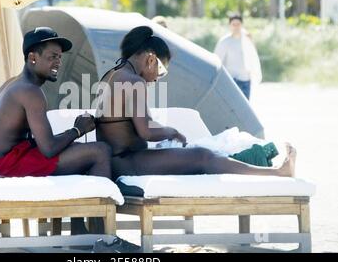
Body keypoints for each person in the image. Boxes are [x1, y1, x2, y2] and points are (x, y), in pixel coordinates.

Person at [95, 25, 295, 180]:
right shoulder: (134, 81)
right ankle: (277, 173)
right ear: (150, 60)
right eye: (160, 71)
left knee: (198, 154)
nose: (156, 78)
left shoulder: (112, 74)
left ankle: (266, 169)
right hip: (127, 163)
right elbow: (147, 132)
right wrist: (172, 131)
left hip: (117, 160)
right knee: (203, 156)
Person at [0, 27, 112, 234]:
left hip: (1, 162)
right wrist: (77, 129)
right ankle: (103, 237)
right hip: (2, 168)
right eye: (52, 57)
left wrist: (73, 136)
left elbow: (43, 144)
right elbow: (48, 148)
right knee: (100, 151)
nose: (58, 62)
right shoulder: (30, 92)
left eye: (59, 57)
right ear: (32, 57)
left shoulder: (13, 83)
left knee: (77, 151)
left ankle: (80, 231)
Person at [214, 14, 262, 100]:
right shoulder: (224, 41)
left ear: (242, 25)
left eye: (238, 24)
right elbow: (217, 60)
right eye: (233, 24)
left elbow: (253, 57)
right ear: (230, 26)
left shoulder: (246, 40)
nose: (236, 27)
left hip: (245, 80)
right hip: (231, 80)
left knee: (245, 109)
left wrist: (251, 41)